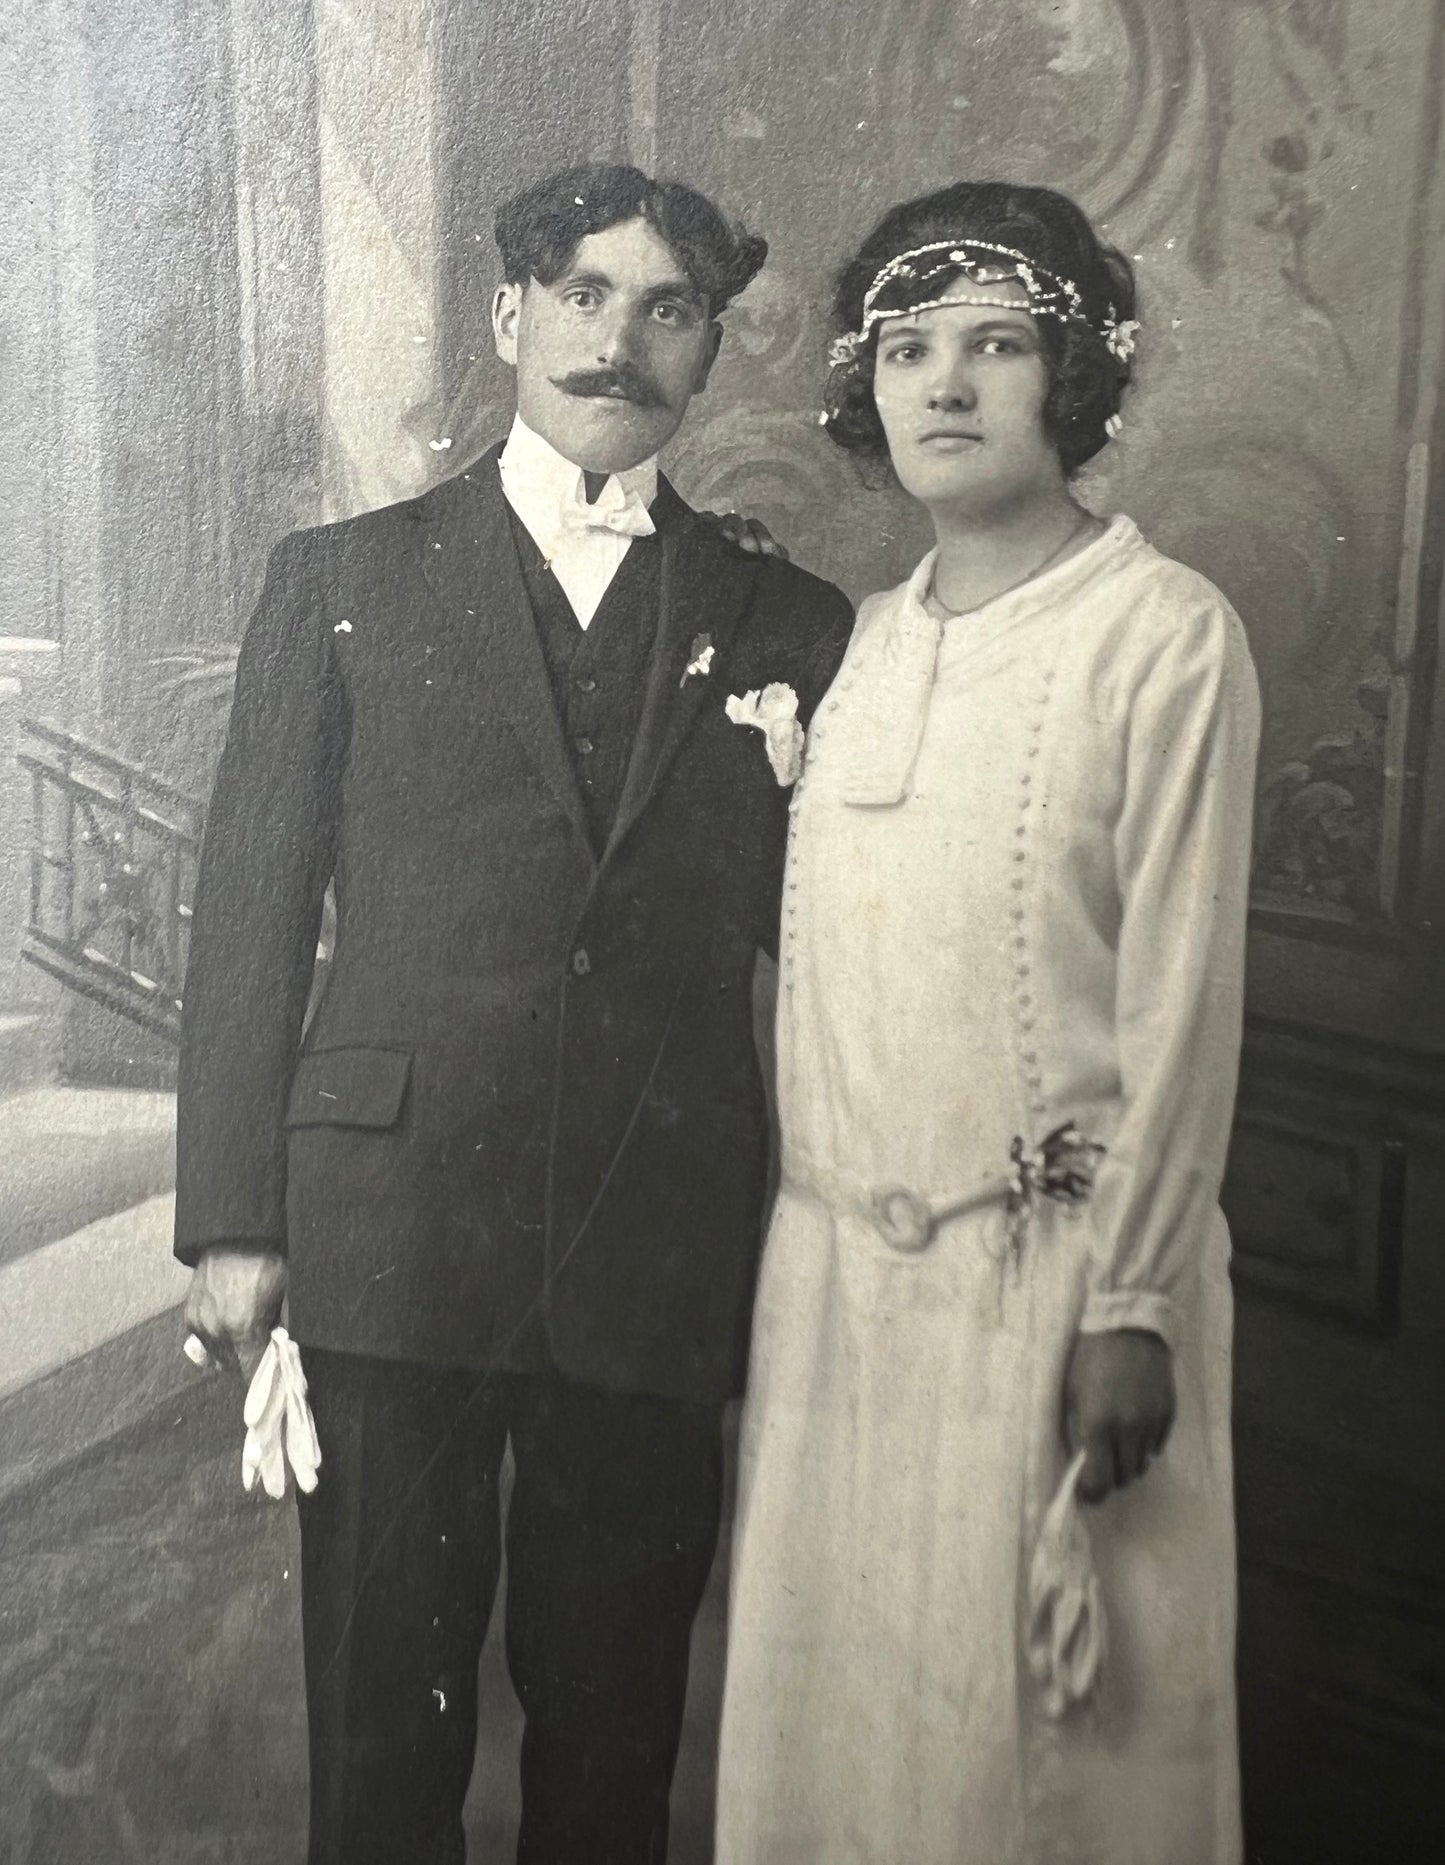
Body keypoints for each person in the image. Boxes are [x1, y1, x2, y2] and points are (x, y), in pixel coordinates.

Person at [174, 160, 852, 1865]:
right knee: (381, 1736)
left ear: (709, 353)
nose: (618, 343)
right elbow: (250, 916)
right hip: (391, 1229)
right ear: (509, 317)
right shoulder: (337, 577)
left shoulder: (790, 619)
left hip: (653, 1241)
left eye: (667, 311)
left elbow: (836, 945)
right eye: (584, 297)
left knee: (614, 1732)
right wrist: (232, 1220)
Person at [715, 180, 1260, 1865]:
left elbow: (1180, 1003)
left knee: (1034, 1773)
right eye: (907, 349)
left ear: (1071, 380)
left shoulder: (1160, 636)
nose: (943, 385)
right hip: (833, 1312)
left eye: (995, 346)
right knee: (843, 1754)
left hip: (1057, 1304)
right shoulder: (857, 648)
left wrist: (1136, 1304)